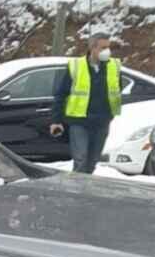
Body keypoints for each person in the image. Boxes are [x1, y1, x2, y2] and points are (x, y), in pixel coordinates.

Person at [48, 36, 123, 174]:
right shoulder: (76, 66)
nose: (107, 51)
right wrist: (56, 120)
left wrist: (110, 115)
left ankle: (85, 189)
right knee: (80, 160)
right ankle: (75, 192)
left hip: (102, 122)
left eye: (108, 47)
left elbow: (118, 90)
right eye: (103, 48)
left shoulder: (114, 66)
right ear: (92, 48)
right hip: (80, 122)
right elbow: (61, 94)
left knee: (92, 161)